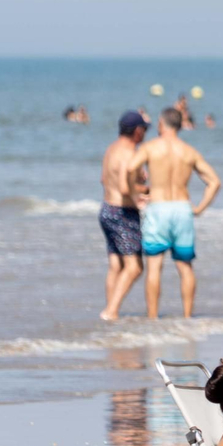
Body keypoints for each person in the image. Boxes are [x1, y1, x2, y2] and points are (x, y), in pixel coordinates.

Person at [125, 106, 220, 318]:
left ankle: (153, 318)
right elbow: (214, 182)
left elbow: (130, 169)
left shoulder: (150, 148)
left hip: (158, 208)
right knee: (185, 267)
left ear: (161, 124)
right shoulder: (189, 151)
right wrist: (200, 208)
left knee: (154, 266)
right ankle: (187, 317)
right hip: (182, 208)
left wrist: (134, 196)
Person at [98, 110, 150, 321]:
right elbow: (124, 187)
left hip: (106, 210)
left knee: (116, 265)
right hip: (122, 213)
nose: (145, 134)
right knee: (135, 267)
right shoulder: (130, 153)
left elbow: (104, 179)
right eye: (145, 130)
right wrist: (145, 192)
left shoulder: (111, 149)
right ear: (137, 131)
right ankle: (110, 311)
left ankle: (111, 312)